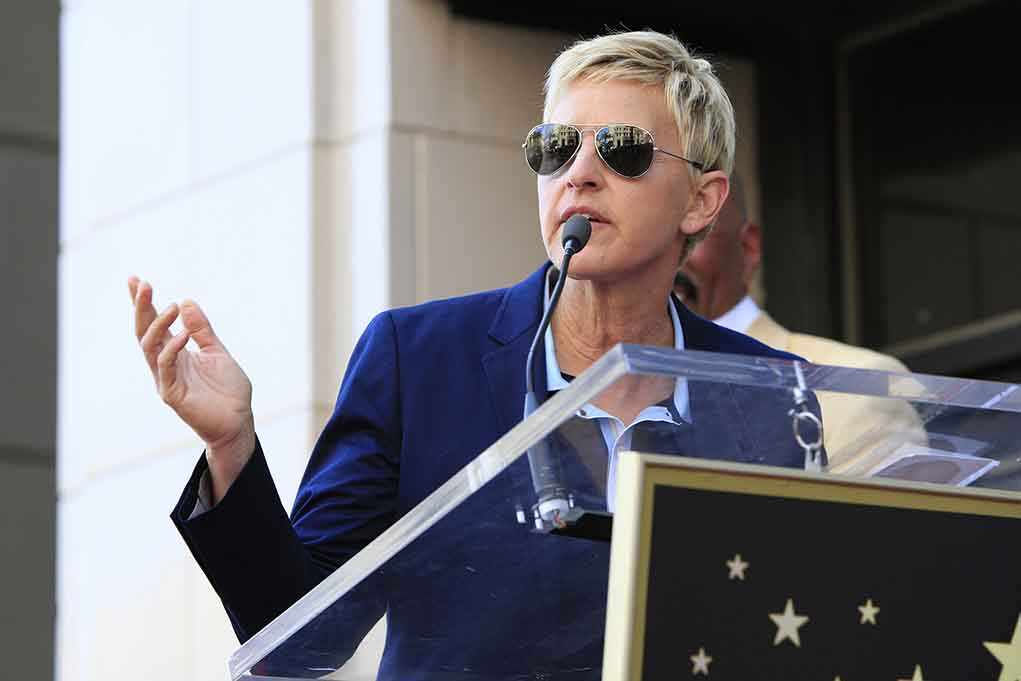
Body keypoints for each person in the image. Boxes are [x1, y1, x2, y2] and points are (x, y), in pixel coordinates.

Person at [129, 31, 820, 680]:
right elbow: (299, 636)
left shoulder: (765, 392)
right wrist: (231, 445)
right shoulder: (419, 360)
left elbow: (798, 626)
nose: (578, 174)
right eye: (554, 147)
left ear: (701, 201)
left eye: (622, 148)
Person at [677, 173, 925, 474]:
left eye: (688, 229)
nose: (662, 254)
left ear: (749, 249)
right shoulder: (609, 386)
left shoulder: (858, 387)